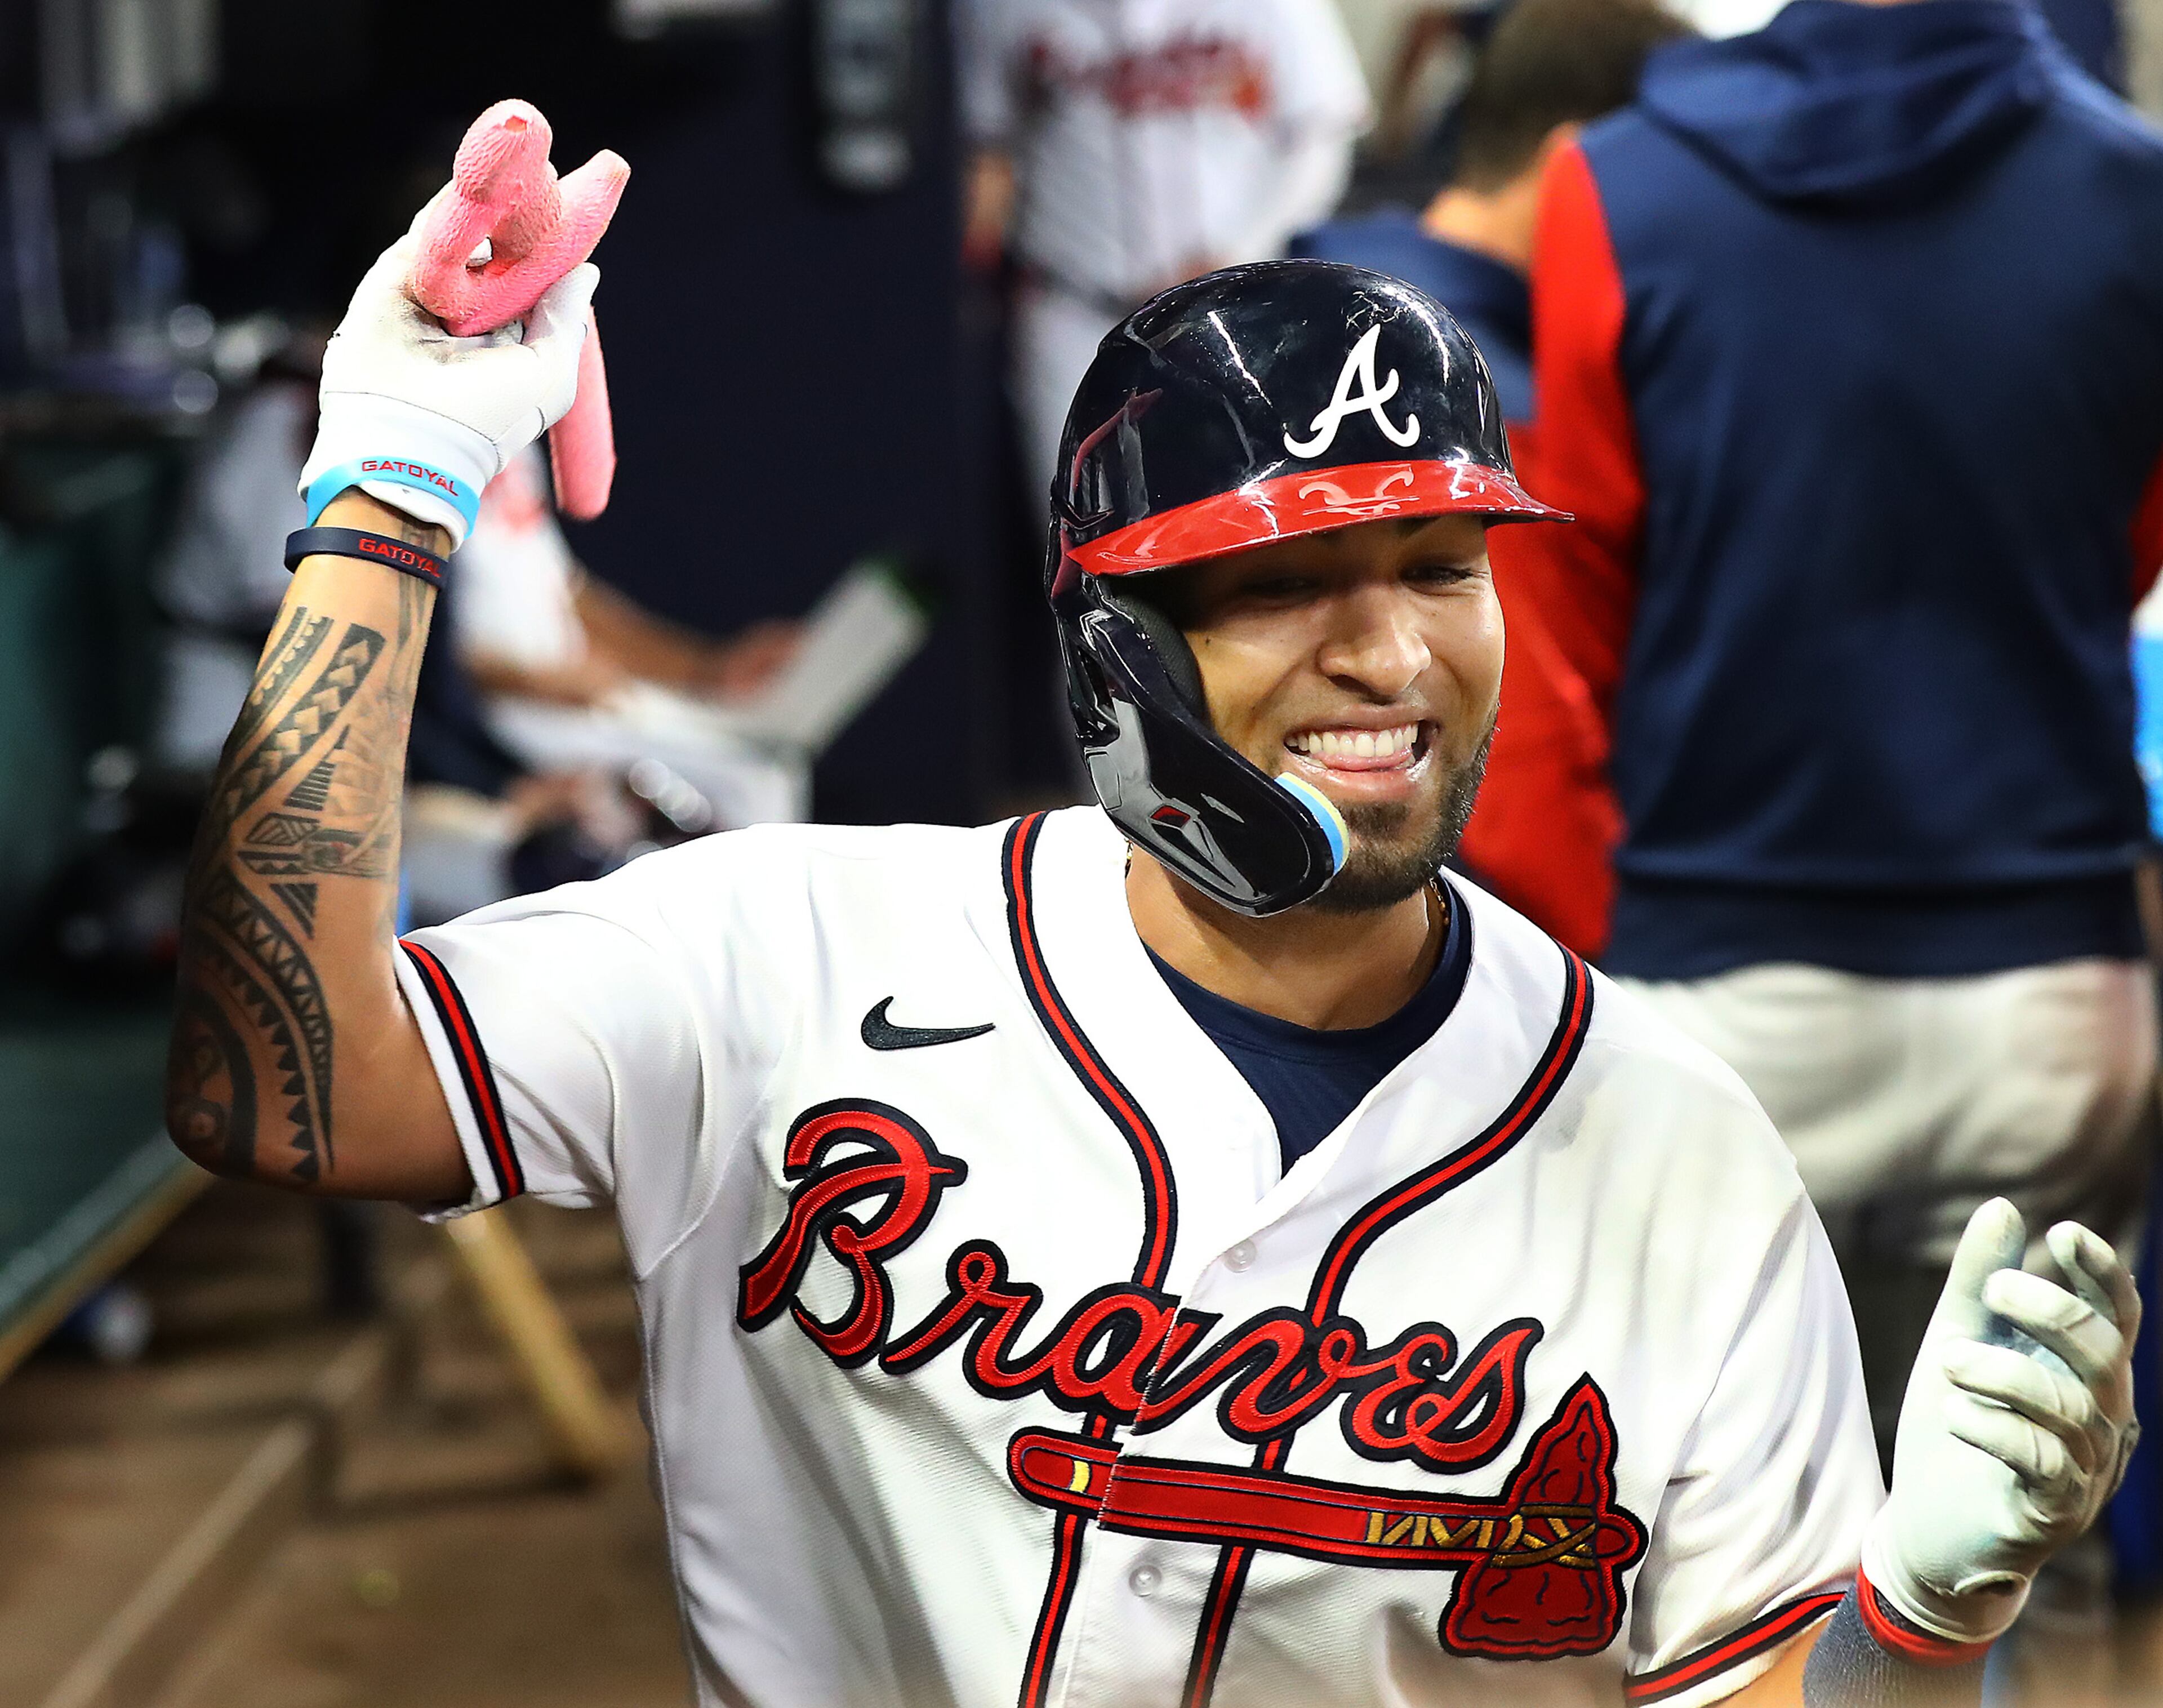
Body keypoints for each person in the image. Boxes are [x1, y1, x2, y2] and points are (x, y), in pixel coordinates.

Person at [166, 226, 2136, 1707]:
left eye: (1442, 566)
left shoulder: (1681, 1152)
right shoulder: (779, 958)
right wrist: (394, 486)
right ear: (1115, 656)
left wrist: (1920, 1614)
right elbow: (285, 1082)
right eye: (1285, 582)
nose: (1393, 654)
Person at [1503, 0, 2163, 1448]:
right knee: (2008, 1550)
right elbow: (2124, 549)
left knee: (1711, 1541)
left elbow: (1573, 587)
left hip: (1726, 976)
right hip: (2045, 986)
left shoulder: (1610, 187)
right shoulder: (2134, 189)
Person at [1293, 0, 1690, 955]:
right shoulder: (1449, 401)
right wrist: (1625, 1009)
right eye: (1679, 176)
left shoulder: (1323, 309)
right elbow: (1523, 779)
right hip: (1483, 970)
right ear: (1576, 161)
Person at [957, 0, 1372, 508]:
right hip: (1075, 308)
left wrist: (1241, 249)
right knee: (1074, 541)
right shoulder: (998, 9)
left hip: (1234, 314)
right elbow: (990, 146)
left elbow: (1321, 136)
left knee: (1245, 525)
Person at [452, 445, 807, 831]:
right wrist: (534, 683)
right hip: (505, 714)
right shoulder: (431, 445)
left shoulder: (517, 440)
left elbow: (568, 592)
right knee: (754, 779)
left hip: (576, 695)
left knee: (774, 757)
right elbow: (425, 639)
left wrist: (708, 670)